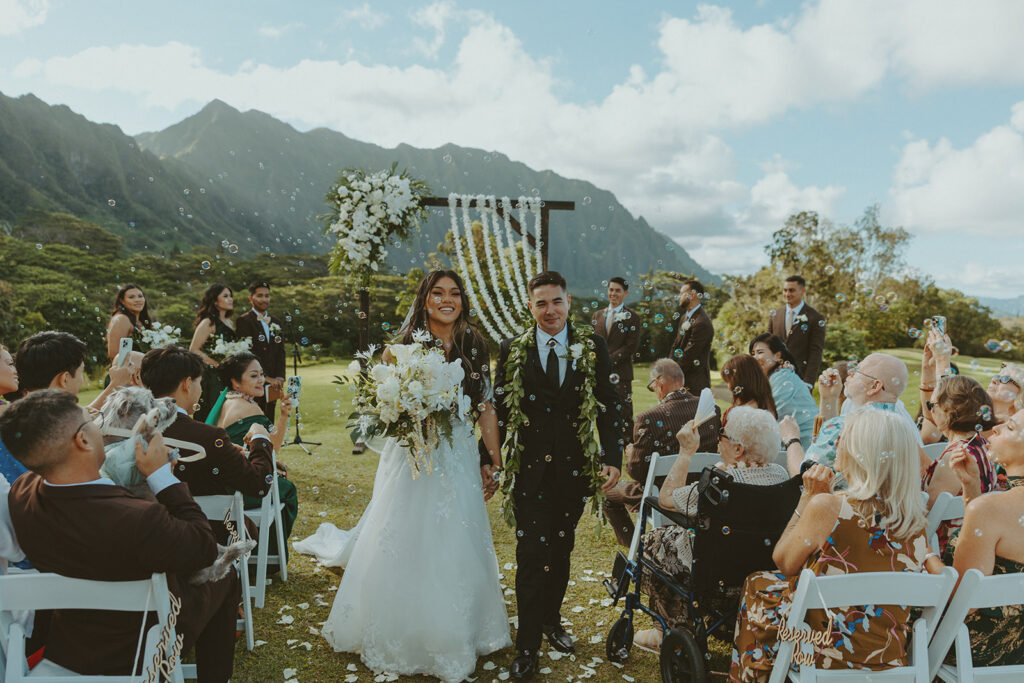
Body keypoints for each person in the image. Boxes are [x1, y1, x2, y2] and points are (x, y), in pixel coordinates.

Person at [317, 270, 511, 682]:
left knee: (455, 536)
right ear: (424, 299)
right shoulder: (399, 348)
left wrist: (493, 460)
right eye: (438, 293)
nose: (447, 300)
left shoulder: (474, 344)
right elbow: (382, 409)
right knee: (405, 534)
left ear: (463, 300)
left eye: (455, 294)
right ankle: (399, 627)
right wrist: (403, 410)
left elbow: (486, 406)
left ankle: (455, 629)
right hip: (411, 457)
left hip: (457, 453)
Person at [0, 390, 239, 681]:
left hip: (67, 648)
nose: (100, 425)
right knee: (227, 574)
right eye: (93, 420)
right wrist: (163, 477)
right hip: (138, 651)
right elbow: (203, 548)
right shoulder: (139, 520)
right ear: (83, 440)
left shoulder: (22, 493)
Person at [730, 407, 941, 680]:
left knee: (756, 582)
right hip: (888, 656)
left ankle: (754, 675)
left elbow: (783, 562)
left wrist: (808, 498)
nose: (837, 443)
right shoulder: (914, 521)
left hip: (821, 654)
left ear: (860, 452)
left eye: (844, 438)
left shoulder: (829, 508)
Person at [488, 270, 622, 680]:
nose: (550, 310)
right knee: (530, 556)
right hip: (528, 474)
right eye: (541, 303)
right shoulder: (512, 348)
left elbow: (608, 403)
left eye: (557, 301)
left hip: (573, 472)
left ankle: (551, 619)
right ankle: (527, 647)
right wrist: (486, 458)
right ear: (530, 307)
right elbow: (500, 409)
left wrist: (612, 454)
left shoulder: (591, 345)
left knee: (561, 551)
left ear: (568, 303)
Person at [634, 407, 790, 653]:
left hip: (711, 569)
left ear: (738, 449)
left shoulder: (719, 484)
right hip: (757, 567)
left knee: (653, 541)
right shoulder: (781, 476)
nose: (718, 437)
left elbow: (665, 499)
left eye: (722, 434)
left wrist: (686, 451)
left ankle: (669, 629)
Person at [140, 346, 275, 541]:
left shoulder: (132, 430)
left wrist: (226, 453)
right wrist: (260, 438)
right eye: (199, 383)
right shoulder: (207, 437)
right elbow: (259, 485)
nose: (201, 390)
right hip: (203, 536)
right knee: (248, 528)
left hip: (144, 530)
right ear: (187, 384)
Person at [603, 359, 721, 547]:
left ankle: (637, 546)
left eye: (652, 386)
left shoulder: (647, 418)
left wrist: (632, 453)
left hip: (660, 495)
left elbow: (637, 473)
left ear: (659, 383)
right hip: (701, 492)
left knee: (607, 493)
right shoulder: (711, 410)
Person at [945, 407, 1024, 667]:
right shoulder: (992, 507)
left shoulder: (992, 509)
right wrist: (971, 490)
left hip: (975, 651)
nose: (996, 428)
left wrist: (927, 557)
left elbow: (960, 604)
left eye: (1010, 428)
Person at [206, 352, 297, 546]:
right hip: (240, 487)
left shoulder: (227, 401)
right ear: (235, 382)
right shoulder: (248, 408)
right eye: (253, 375)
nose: (261, 380)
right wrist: (284, 415)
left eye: (262, 375)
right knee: (288, 490)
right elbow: (273, 448)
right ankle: (267, 552)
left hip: (221, 481)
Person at [781, 352, 911, 475]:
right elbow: (830, 450)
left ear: (875, 386)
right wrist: (829, 399)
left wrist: (791, 438)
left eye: (856, 370)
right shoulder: (903, 428)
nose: (850, 373)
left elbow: (803, 478)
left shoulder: (844, 425)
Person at [921, 374, 1000, 556]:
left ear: (950, 411)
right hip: (976, 536)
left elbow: (928, 512)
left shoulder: (956, 456)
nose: (930, 411)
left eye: (932, 405)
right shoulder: (980, 443)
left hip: (946, 546)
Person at [14, 331, 134, 413]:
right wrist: (116, 384)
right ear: (64, 379)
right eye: (81, 372)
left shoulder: (17, 413)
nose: (81, 380)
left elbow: (86, 412)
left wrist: (115, 384)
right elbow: (84, 416)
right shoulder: (67, 424)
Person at [591, 276, 642, 437]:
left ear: (625, 293)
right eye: (611, 290)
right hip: (600, 375)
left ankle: (629, 450)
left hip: (622, 374)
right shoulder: (597, 316)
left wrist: (607, 361)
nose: (613, 293)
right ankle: (607, 450)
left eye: (617, 290)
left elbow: (630, 347)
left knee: (625, 414)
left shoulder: (633, 317)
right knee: (602, 412)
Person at [750, 333, 817, 448]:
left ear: (778, 356)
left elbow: (770, 415)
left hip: (805, 445)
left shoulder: (783, 377)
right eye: (753, 354)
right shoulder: (775, 377)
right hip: (789, 441)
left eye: (760, 352)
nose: (755, 357)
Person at [234, 280, 287, 420]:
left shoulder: (276, 322)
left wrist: (280, 378)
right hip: (254, 381)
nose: (264, 299)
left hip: (274, 384)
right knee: (254, 418)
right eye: (260, 296)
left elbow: (280, 352)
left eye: (267, 296)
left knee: (269, 418)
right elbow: (246, 355)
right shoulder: (243, 321)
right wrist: (265, 377)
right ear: (251, 298)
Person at [766, 275, 825, 387]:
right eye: (785, 290)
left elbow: (816, 352)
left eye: (791, 290)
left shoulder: (815, 317)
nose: (787, 294)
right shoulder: (775, 315)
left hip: (800, 378)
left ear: (802, 291)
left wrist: (808, 383)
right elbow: (767, 345)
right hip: (774, 377)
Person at [189, 284, 236, 422]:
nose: (230, 299)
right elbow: (194, 350)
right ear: (215, 301)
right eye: (225, 296)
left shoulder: (229, 322)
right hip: (211, 376)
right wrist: (217, 364)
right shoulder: (208, 322)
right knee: (211, 411)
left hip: (226, 376)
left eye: (231, 296)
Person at [669, 279, 713, 394]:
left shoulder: (701, 322)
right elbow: (676, 346)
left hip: (694, 384)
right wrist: (668, 366)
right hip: (680, 381)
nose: (679, 296)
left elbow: (689, 355)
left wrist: (671, 375)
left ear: (692, 295)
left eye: (682, 293)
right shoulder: (684, 318)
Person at [720, 355, 777, 422]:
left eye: (729, 381)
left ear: (741, 381)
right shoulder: (766, 404)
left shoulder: (744, 414)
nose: (729, 387)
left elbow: (725, 432)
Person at [105, 283, 152, 362]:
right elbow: (114, 354)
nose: (137, 300)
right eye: (131, 297)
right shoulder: (122, 320)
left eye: (140, 296)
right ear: (122, 301)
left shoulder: (141, 322)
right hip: (125, 371)